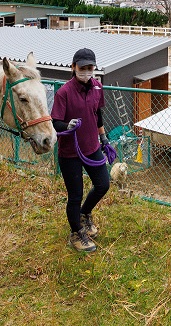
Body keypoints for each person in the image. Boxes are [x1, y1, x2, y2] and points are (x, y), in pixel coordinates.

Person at [51, 48, 111, 252]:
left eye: (90, 68)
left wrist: (103, 138)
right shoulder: (64, 92)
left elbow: (98, 114)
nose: (86, 72)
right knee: (75, 195)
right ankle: (76, 232)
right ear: (73, 67)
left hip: (92, 147)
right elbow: (55, 122)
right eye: (82, 68)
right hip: (70, 153)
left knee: (103, 184)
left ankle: (85, 214)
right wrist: (67, 126)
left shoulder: (97, 87)